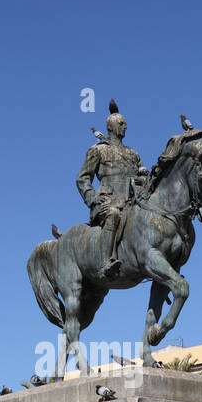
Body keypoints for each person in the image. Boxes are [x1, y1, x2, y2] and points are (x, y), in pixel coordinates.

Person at [76, 108, 142, 281]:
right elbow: (82, 178)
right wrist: (93, 200)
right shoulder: (98, 150)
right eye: (121, 123)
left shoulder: (133, 155)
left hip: (131, 204)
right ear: (111, 127)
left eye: (125, 124)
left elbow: (143, 179)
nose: (125, 126)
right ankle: (106, 262)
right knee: (113, 215)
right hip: (107, 203)